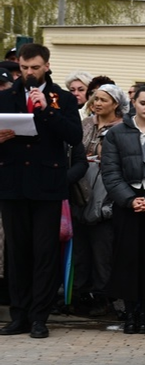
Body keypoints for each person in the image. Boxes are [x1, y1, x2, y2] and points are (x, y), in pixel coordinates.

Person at [0, 44, 83, 338]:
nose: (29, 73)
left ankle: (39, 318)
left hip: (47, 185)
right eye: (23, 68)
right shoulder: (6, 96)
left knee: (44, 254)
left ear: (46, 65)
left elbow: (74, 136)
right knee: (17, 253)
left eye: (34, 67)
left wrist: (47, 111)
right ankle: (18, 315)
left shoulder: (62, 98)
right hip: (12, 184)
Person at [100, 84, 145, 333]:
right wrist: (130, 199)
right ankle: (130, 313)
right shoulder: (116, 133)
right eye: (143, 103)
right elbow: (110, 171)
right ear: (134, 104)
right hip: (127, 202)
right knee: (127, 258)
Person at [71, 84, 128, 317]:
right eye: (95, 98)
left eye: (104, 99)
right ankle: (79, 297)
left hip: (106, 197)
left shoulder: (123, 128)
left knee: (103, 250)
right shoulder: (84, 124)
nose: (97, 103)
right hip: (80, 192)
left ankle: (103, 299)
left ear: (115, 104)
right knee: (80, 251)